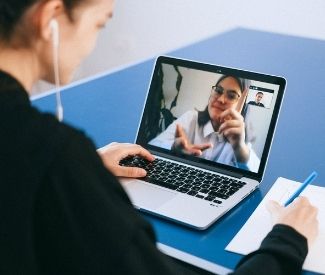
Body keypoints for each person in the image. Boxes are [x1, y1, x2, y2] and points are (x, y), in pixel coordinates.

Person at [0, 0, 318, 274]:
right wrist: (287, 239)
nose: (92, 44)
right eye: (99, 25)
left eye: (231, 95)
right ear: (50, 17)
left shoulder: (241, 140)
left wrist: (87, 166)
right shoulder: (60, 158)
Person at [150, 75, 260, 172]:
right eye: (218, 91)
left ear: (242, 106)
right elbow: (153, 145)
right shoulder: (191, 118)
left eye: (231, 96)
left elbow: (256, 173)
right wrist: (173, 148)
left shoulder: (240, 140)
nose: (221, 99)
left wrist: (239, 148)